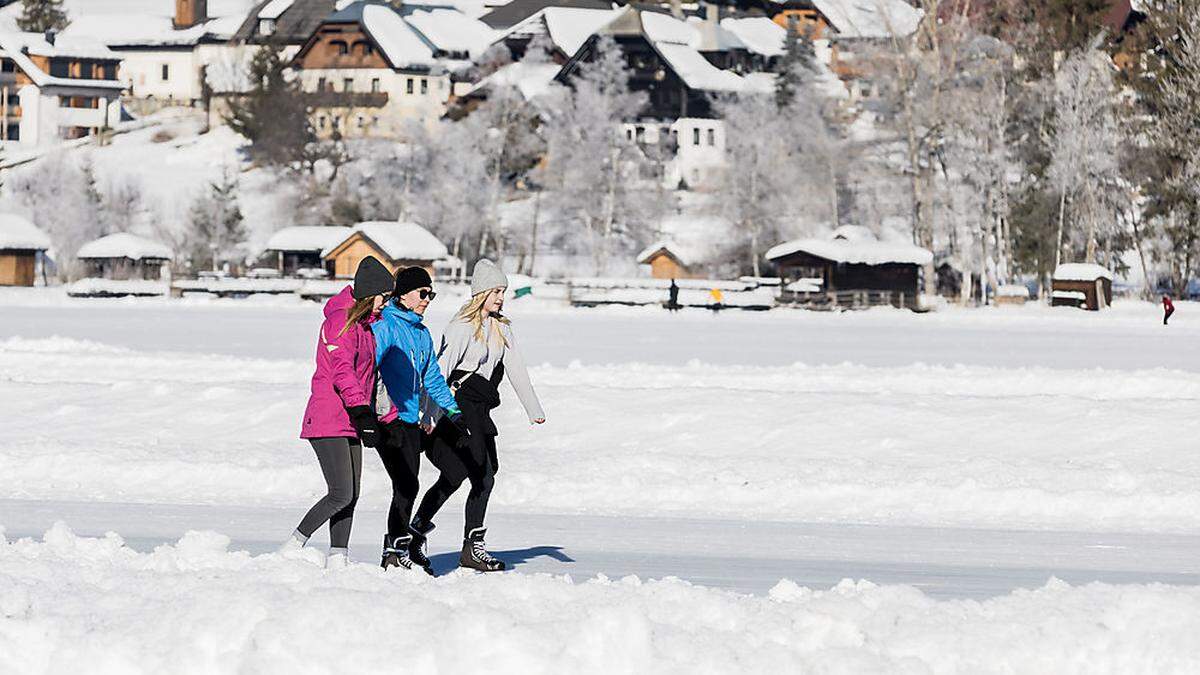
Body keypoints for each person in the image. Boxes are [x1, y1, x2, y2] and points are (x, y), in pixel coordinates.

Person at [411, 259, 546, 573]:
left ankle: (433, 536)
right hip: (456, 411)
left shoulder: (502, 328)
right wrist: (429, 415)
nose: (500, 297)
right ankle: (456, 544)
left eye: (503, 291)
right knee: (473, 475)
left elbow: (517, 370)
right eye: (495, 291)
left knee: (475, 475)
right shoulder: (460, 327)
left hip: (480, 411)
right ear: (480, 292)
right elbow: (439, 373)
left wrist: (533, 409)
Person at [281, 256, 395, 569]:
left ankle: (337, 556)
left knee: (352, 493)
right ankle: (294, 544)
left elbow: (370, 379)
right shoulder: (340, 322)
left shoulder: (366, 328)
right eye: (384, 298)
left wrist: (381, 418)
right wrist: (361, 411)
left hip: (350, 420)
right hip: (328, 418)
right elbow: (342, 372)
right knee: (340, 493)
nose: (385, 304)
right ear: (370, 294)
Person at [371, 265, 470, 572]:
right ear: (403, 294)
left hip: (412, 421)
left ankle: (402, 545)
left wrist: (453, 411)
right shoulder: (385, 326)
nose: (428, 298)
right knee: (406, 484)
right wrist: (370, 413)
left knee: (411, 483)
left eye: (432, 294)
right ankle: (394, 550)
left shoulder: (421, 332)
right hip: (390, 419)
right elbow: (368, 371)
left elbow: (432, 377)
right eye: (423, 293)